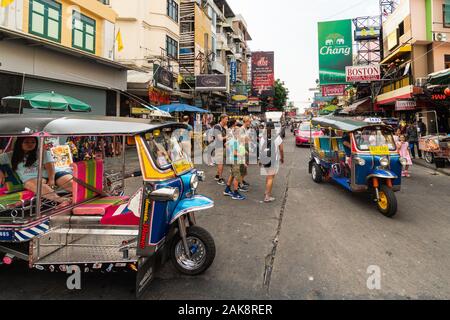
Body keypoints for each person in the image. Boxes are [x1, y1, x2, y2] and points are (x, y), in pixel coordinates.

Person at [0, 137, 72, 207]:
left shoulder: (41, 152)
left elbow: (50, 166)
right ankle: (62, 200)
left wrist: (51, 180)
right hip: (33, 180)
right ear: (19, 143)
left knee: (72, 184)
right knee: (32, 183)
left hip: (54, 174)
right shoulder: (9, 156)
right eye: (26, 142)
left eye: (33, 142)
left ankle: (74, 199)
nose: (30, 144)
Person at [260, 122, 284, 203]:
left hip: (264, 159)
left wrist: (260, 159)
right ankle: (267, 196)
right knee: (271, 177)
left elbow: (260, 149)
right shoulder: (277, 137)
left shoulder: (263, 137)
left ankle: (266, 191)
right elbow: (281, 149)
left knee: (268, 176)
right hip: (273, 160)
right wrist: (282, 158)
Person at [223, 127, 246, 200]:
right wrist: (242, 154)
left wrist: (229, 150)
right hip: (235, 160)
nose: (240, 134)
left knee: (232, 174)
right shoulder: (235, 141)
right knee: (236, 176)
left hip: (231, 160)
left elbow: (225, 144)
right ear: (236, 133)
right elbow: (235, 153)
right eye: (239, 132)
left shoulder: (232, 140)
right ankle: (235, 193)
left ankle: (227, 189)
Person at [213, 114, 229, 185]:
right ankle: (220, 178)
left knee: (220, 162)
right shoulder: (217, 127)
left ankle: (217, 175)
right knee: (220, 163)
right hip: (218, 147)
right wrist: (227, 136)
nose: (227, 120)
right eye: (226, 119)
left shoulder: (223, 127)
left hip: (222, 146)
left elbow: (225, 137)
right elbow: (220, 138)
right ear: (222, 119)